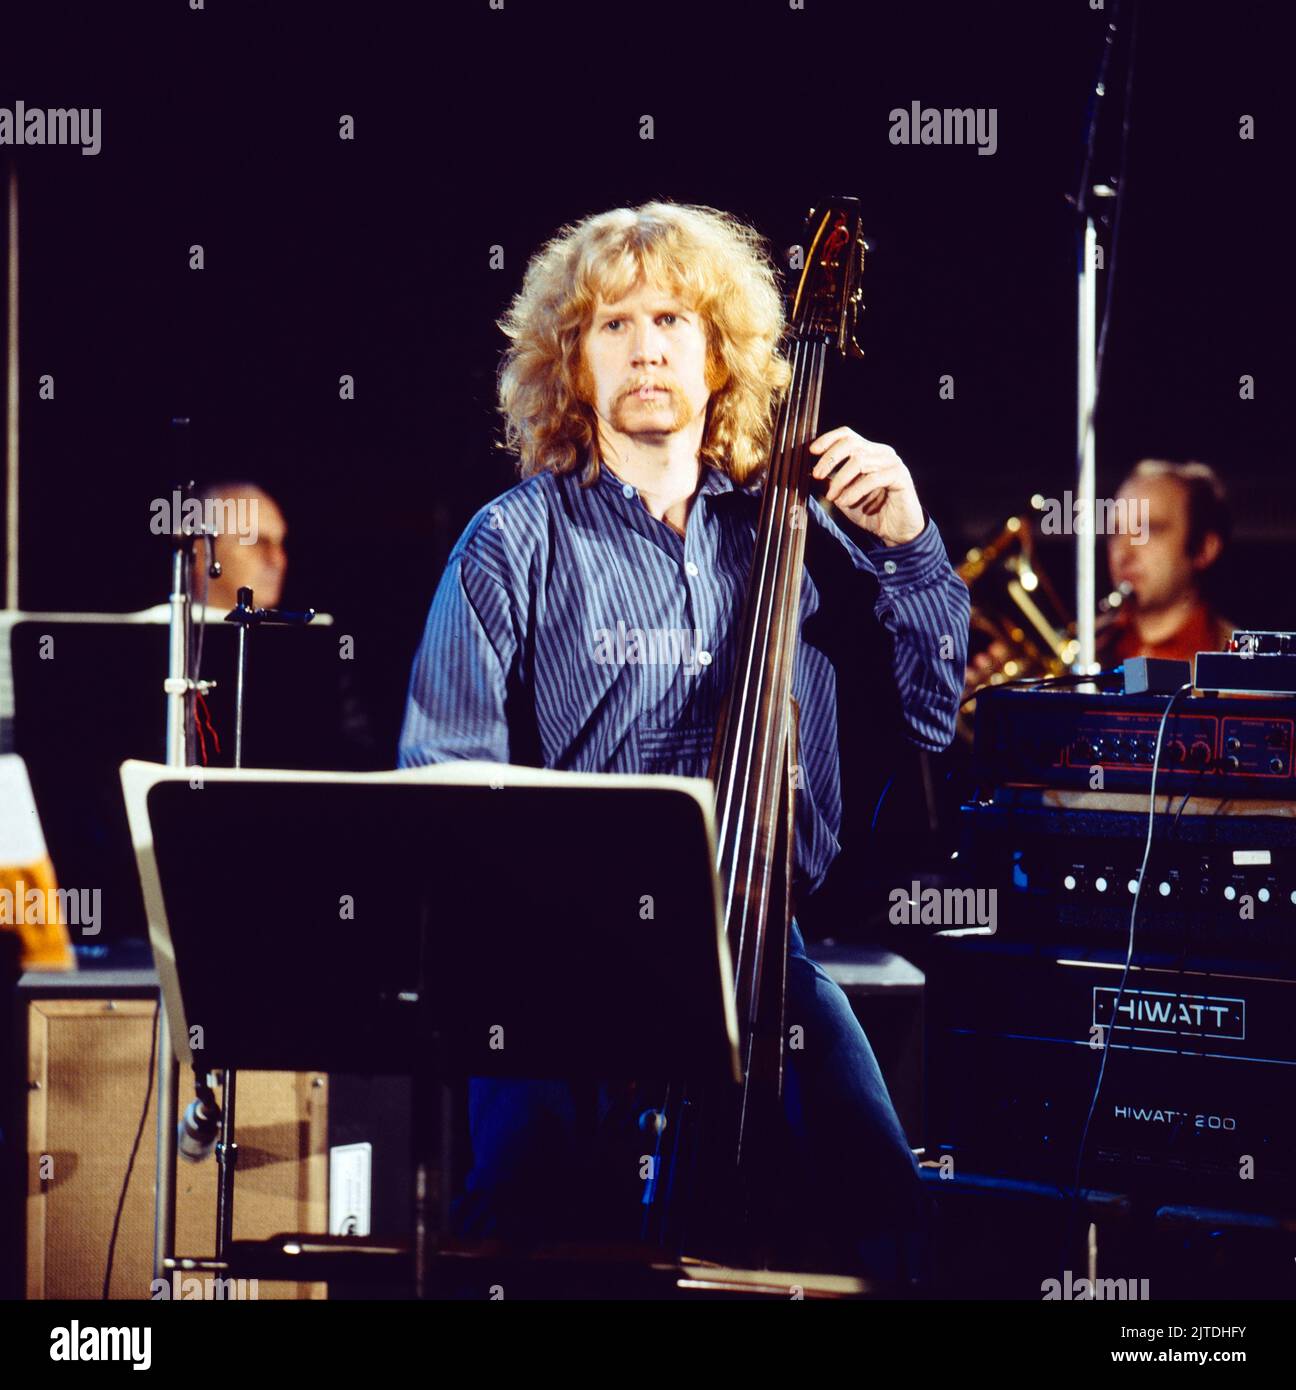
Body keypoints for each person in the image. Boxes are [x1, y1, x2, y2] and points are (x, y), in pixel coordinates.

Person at [398, 202, 969, 1279]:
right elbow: (442, 777)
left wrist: (908, 543)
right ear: (570, 363)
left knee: (882, 1199)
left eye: (671, 319)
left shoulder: (803, 532)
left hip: (760, 948)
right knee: (526, 1198)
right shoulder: (511, 538)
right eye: (612, 324)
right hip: (558, 954)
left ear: (724, 357)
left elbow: (932, 716)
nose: (646, 344)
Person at [1099, 458, 1235, 664]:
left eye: (1149, 529)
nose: (1123, 553)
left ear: (1204, 549)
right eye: (1116, 531)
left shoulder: (1243, 674)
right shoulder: (1089, 648)